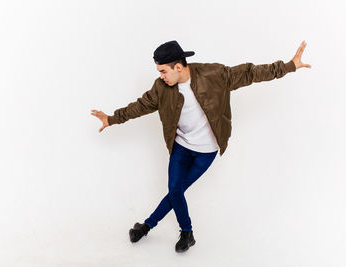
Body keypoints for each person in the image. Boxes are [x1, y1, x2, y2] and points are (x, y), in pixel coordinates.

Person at [91, 40, 311, 253]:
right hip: (181, 147)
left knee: (176, 191)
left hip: (206, 152)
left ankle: (147, 226)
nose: (161, 76)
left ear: (178, 66)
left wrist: (290, 66)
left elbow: (250, 73)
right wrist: (112, 119)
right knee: (175, 190)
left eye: (163, 71)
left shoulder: (214, 75)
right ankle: (184, 232)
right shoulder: (161, 88)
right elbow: (141, 105)